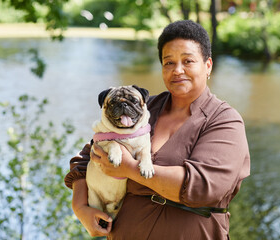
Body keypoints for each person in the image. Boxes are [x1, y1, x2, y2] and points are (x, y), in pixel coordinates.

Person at [64, 20, 250, 239]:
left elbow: (202, 187)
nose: (177, 70)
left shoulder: (224, 121)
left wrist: (129, 168)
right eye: (168, 62)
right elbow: (88, 157)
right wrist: (81, 208)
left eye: (188, 61)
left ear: (208, 65)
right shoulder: (142, 109)